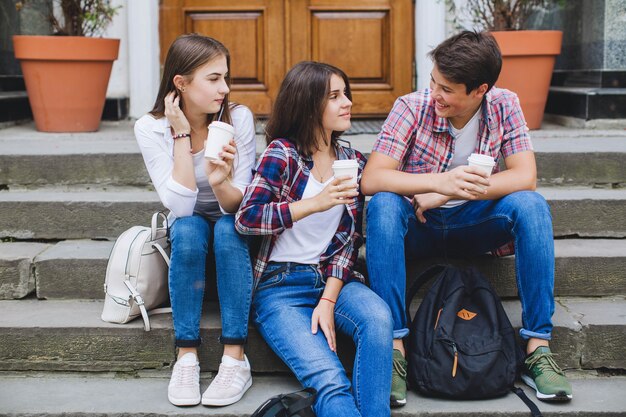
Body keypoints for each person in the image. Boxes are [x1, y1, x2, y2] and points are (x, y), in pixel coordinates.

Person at [361, 30, 573, 406]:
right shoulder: (412, 106)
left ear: (479, 90)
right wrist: (437, 181)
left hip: (475, 224)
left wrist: (449, 191)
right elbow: (373, 178)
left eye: (447, 89)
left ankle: (537, 346)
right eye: (434, 82)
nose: (435, 94)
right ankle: (395, 348)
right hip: (418, 226)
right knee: (382, 206)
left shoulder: (504, 104)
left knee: (532, 206)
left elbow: (525, 176)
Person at [235, 61, 393, 417]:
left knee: (378, 318)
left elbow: (349, 241)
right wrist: (313, 204)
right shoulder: (283, 153)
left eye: (345, 93)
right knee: (330, 380)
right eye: (335, 96)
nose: (347, 102)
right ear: (308, 104)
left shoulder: (351, 159)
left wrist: (328, 298)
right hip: (281, 288)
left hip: (333, 281)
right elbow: (248, 218)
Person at [134, 34, 256, 407]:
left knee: (225, 227)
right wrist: (182, 134)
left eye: (225, 77)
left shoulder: (238, 118)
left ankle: (235, 357)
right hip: (188, 226)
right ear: (181, 83)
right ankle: (186, 355)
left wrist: (220, 180)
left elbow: (241, 205)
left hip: (230, 221)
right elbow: (182, 207)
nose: (225, 87)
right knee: (186, 229)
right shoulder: (150, 128)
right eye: (213, 78)